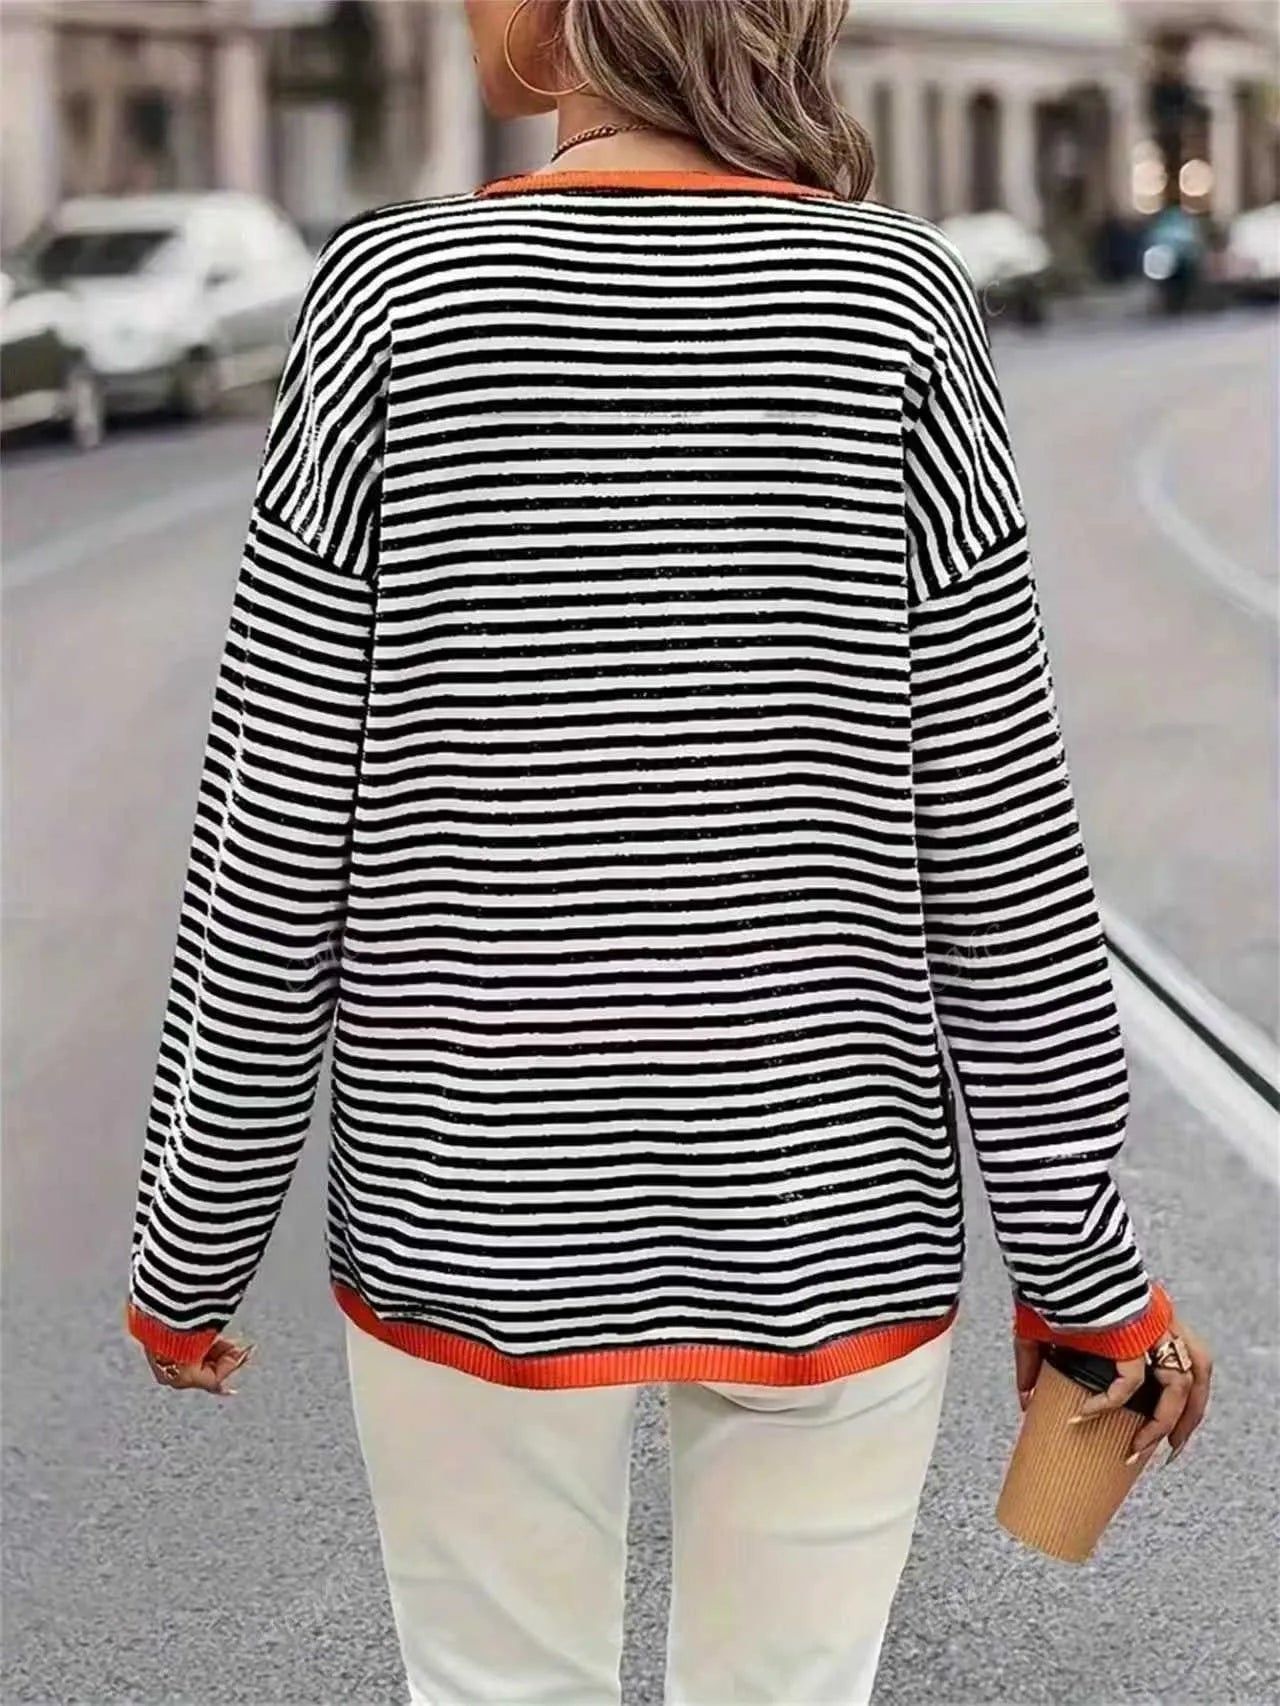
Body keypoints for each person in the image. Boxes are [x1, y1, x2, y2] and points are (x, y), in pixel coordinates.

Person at [124, 2, 1214, 1701]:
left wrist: (192, 1241)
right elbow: (997, 829)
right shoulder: (898, 303)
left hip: (471, 1198)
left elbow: (273, 821)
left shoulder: (390, 299)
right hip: (828, 1200)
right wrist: (1084, 1271)